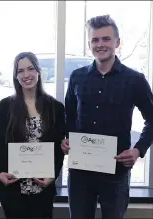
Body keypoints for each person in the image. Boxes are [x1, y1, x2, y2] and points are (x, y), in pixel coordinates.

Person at [62, 15, 153, 219]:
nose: (100, 44)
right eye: (95, 40)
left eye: (106, 39)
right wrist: (65, 139)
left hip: (116, 171)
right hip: (80, 173)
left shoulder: (135, 80)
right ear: (89, 44)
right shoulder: (77, 77)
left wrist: (139, 150)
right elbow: (68, 116)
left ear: (117, 43)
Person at [0, 52, 66, 219]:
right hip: (13, 185)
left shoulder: (56, 108)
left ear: (39, 71)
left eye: (30, 69)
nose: (26, 75)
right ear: (15, 76)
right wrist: (0, 172)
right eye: (20, 71)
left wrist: (52, 174)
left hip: (43, 186)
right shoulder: (6, 106)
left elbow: (58, 148)